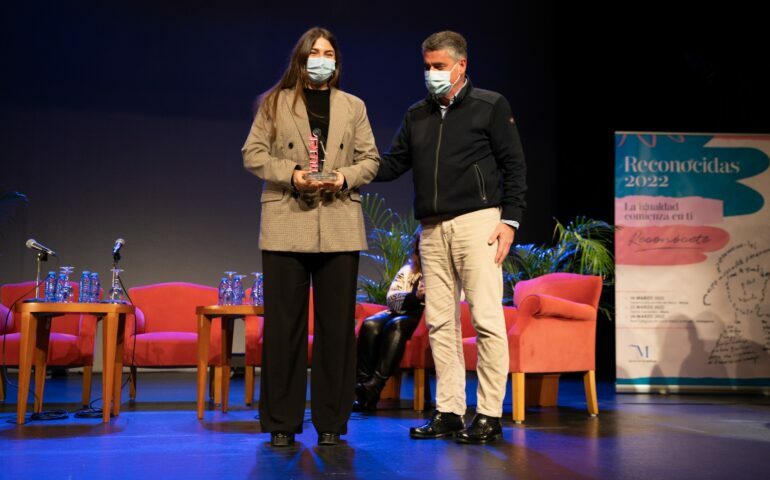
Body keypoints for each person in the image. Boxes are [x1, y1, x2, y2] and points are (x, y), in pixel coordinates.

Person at [375, 31, 527, 444]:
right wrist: (352, 167)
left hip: (478, 222)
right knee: (441, 323)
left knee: (486, 319)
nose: (432, 74)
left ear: (461, 66)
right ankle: (449, 411)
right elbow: (393, 164)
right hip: (432, 228)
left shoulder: (490, 106)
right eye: (427, 67)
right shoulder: (417, 115)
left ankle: (490, 413)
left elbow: (514, 165)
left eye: (439, 66)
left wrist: (509, 221)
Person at [242, 27, 379, 447]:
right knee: (284, 328)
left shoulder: (353, 106)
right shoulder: (275, 103)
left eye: (329, 52)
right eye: (315, 52)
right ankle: (282, 422)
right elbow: (253, 154)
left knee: (337, 330)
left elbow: (371, 159)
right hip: (287, 221)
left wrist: (342, 176)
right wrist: (293, 175)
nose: (322, 58)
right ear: (301, 59)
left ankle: (332, 423)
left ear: (337, 61)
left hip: (338, 223)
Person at [354, 232, 425, 412]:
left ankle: (374, 386)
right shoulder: (408, 271)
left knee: (396, 324)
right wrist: (415, 295)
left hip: (423, 316)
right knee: (371, 324)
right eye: (420, 248)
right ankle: (364, 389)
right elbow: (392, 299)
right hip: (402, 309)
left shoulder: (443, 273)